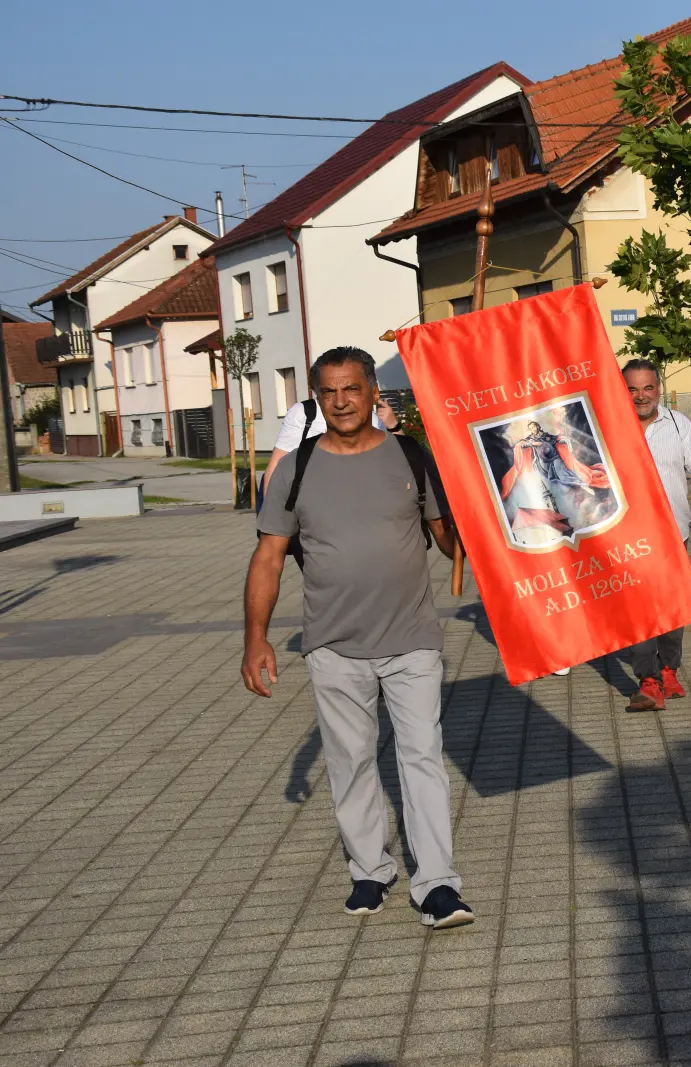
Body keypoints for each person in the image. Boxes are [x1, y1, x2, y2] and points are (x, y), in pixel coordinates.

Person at [243, 347, 473, 929]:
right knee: (350, 761)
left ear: (375, 392)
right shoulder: (295, 468)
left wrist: (472, 529)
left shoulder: (411, 455)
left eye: (351, 389)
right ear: (317, 398)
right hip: (332, 643)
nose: (341, 401)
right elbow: (268, 557)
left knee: (421, 757)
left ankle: (438, 884)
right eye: (328, 392)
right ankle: (371, 870)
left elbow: (449, 543)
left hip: (413, 638)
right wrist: (256, 639)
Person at [621, 359, 691, 712]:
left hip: (673, 534)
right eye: (632, 389)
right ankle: (647, 680)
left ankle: (668, 670)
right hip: (628, 539)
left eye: (647, 388)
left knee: (672, 610)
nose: (640, 396)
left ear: (658, 389)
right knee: (642, 611)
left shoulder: (679, 425)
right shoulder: (609, 429)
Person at [261, 391, 398, 491]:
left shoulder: (372, 418)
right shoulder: (305, 412)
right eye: (330, 390)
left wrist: (394, 426)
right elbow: (276, 463)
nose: (340, 400)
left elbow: (400, 455)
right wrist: (269, 514)